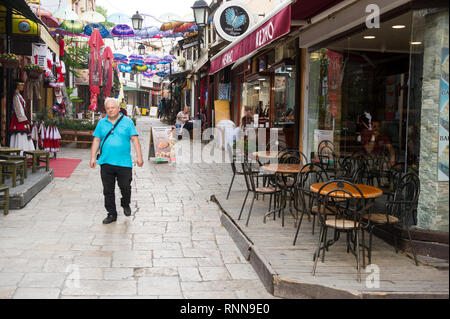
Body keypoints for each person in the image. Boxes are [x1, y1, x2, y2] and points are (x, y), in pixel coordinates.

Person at [90, 98, 144, 224]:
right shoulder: (102, 123)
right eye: (108, 108)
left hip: (124, 163)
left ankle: (125, 203)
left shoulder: (128, 122)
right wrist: (93, 157)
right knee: (108, 190)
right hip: (106, 162)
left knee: (125, 187)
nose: (110, 110)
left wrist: (139, 157)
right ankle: (111, 214)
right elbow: (97, 140)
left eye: (113, 108)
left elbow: (135, 140)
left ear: (119, 108)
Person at [9, 80, 35, 152]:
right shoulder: (16, 97)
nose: (23, 86)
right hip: (18, 119)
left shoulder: (19, 96)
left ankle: (24, 152)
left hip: (21, 118)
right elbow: (19, 111)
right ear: (17, 86)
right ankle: (20, 153)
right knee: (20, 134)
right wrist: (26, 121)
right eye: (21, 85)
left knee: (23, 135)